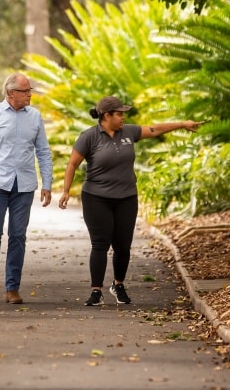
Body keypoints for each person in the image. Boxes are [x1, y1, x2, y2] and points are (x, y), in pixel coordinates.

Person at [58, 96, 201, 306]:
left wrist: (182, 124)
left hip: (126, 197)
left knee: (123, 245)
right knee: (100, 244)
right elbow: (72, 164)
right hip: (96, 197)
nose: (123, 117)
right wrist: (65, 191)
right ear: (107, 116)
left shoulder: (129, 132)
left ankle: (118, 285)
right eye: (119, 113)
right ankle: (96, 291)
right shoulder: (89, 137)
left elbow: (154, 129)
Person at [0, 72, 53, 304]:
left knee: (18, 235)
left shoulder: (35, 117)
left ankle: (12, 288)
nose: (29, 95)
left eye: (30, 91)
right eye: (25, 91)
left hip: (24, 185)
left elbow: (43, 152)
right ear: (10, 93)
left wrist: (47, 183)